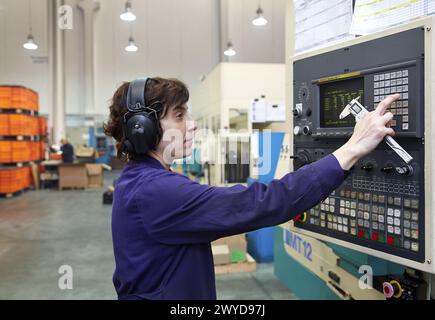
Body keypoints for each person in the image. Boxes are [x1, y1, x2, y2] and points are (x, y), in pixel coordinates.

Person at [104, 77, 398, 300]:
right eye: (179, 116)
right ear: (143, 128)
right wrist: (353, 148)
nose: (192, 125)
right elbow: (263, 203)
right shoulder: (154, 191)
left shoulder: (139, 179)